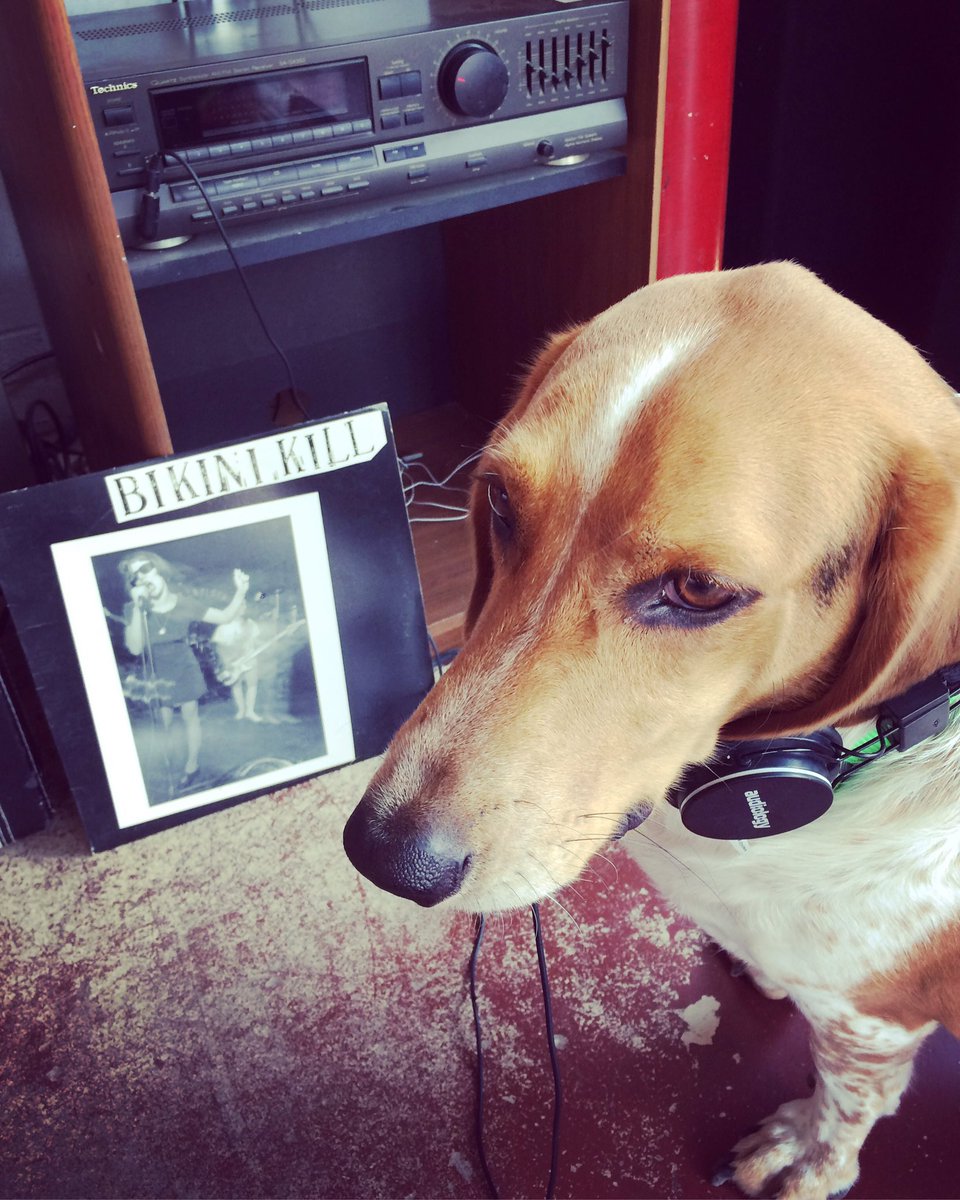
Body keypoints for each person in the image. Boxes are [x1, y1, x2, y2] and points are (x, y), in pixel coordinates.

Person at [119, 550, 250, 791]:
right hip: (157, 673)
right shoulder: (134, 609)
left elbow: (224, 616)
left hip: (183, 667)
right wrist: (138, 608)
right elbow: (136, 648)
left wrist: (240, 591)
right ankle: (169, 763)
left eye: (145, 569)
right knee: (163, 722)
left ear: (159, 570)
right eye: (135, 576)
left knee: (190, 716)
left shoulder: (185, 604)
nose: (142, 577)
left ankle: (191, 766)